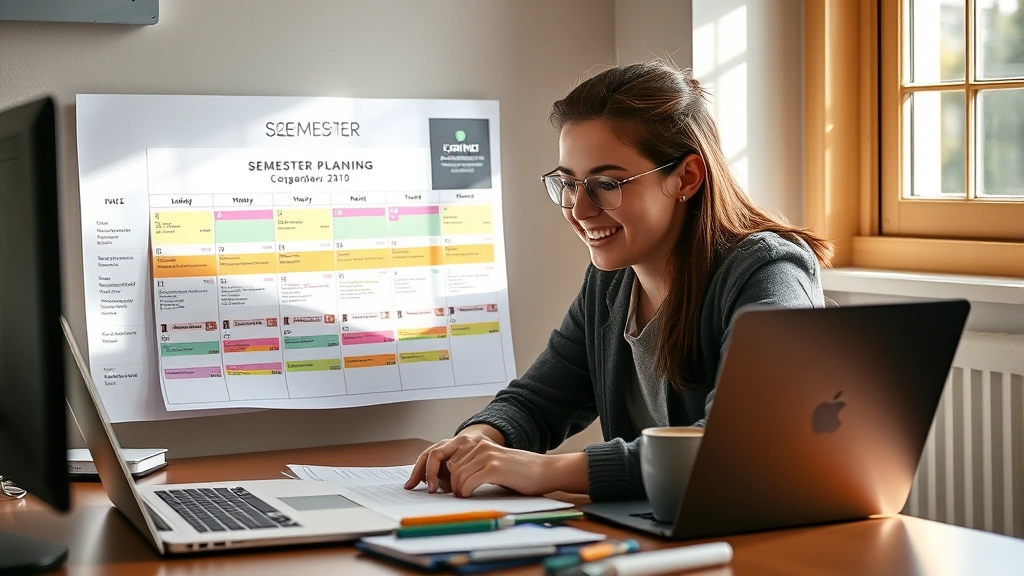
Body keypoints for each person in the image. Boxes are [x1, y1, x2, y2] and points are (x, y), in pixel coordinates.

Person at [404, 60, 834, 502]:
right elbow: (536, 402)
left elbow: (739, 445)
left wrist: (545, 470)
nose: (579, 210)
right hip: (664, 535)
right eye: (569, 184)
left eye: (606, 184)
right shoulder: (611, 283)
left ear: (686, 177)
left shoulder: (768, 272)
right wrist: (481, 438)